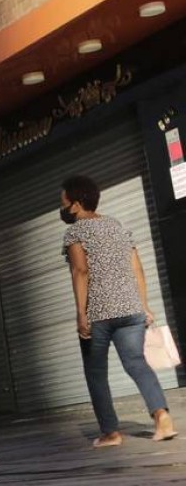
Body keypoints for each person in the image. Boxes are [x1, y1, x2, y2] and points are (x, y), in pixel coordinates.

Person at [61, 175, 177, 447]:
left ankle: (111, 433)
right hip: (130, 309)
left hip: (98, 313)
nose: (63, 208)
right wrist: (144, 305)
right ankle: (162, 417)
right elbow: (137, 269)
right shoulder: (117, 226)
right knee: (136, 363)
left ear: (76, 205)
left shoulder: (75, 231)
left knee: (96, 372)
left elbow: (80, 271)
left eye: (64, 203)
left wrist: (81, 313)